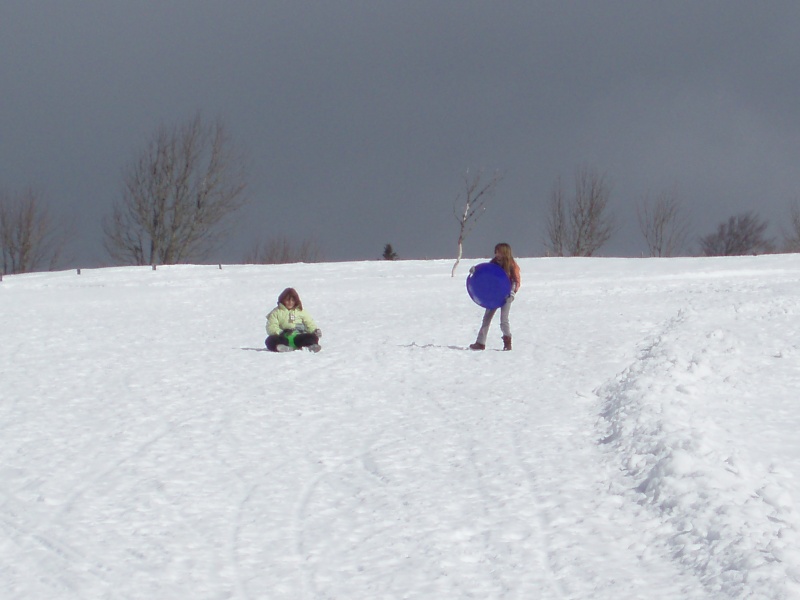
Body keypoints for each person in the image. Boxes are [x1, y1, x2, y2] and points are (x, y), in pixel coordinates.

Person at [469, 243, 521, 351]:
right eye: (496, 252)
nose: (497, 254)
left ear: (505, 253)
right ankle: (480, 343)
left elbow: (516, 281)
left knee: (504, 320)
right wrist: (476, 271)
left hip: (506, 296)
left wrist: (512, 293)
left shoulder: (511, 265)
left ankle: (507, 342)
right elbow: (486, 274)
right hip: (494, 295)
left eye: (499, 252)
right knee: (486, 319)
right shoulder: (493, 263)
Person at [265, 287, 322, 352]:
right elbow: (271, 326)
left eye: (292, 300)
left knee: (311, 337)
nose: (290, 302)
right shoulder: (276, 312)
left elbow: (309, 323)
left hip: (298, 336)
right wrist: (281, 332)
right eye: (287, 300)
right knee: (270, 340)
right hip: (283, 337)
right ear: (282, 300)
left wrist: (315, 331)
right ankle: (281, 347)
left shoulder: (300, 311)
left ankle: (311, 346)